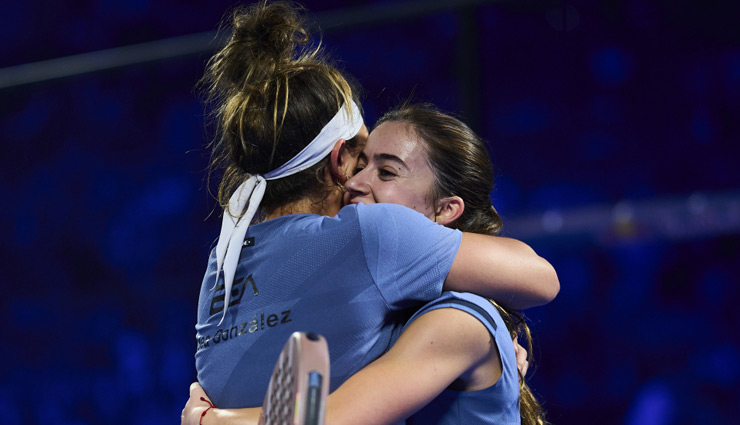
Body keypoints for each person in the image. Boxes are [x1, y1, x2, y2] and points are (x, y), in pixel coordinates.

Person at [192, 0, 557, 418]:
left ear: (447, 209)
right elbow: (539, 279)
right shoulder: (369, 238)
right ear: (338, 160)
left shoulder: (219, 265)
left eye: (386, 171)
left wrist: (215, 419)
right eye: (361, 160)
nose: (359, 183)